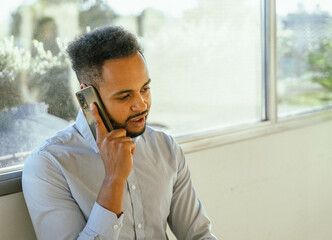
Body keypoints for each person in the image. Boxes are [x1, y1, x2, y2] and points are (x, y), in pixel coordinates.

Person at [22, 26, 217, 240]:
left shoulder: (166, 148)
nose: (141, 105)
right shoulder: (49, 164)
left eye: (144, 89)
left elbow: (199, 235)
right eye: (125, 97)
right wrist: (114, 179)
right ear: (87, 97)